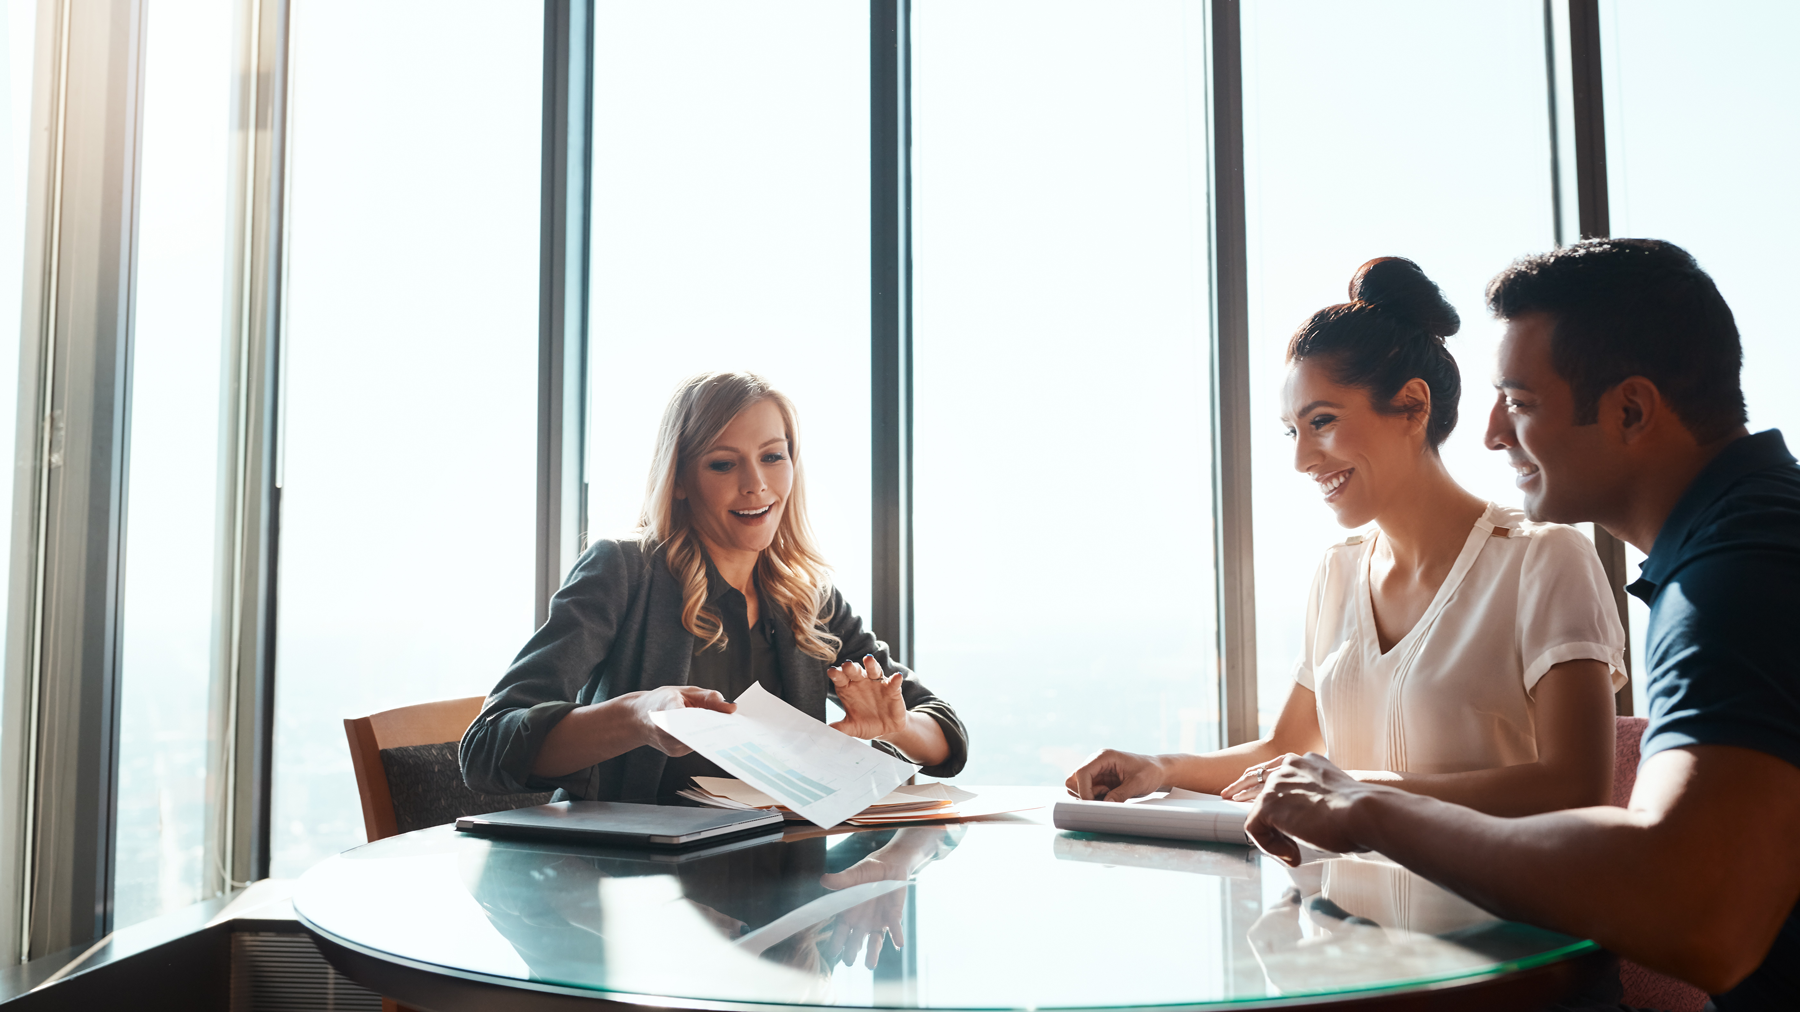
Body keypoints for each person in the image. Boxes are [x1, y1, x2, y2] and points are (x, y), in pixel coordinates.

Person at [1244, 239, 1800, 1010]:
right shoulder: (1739, 544)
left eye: (1522, 403)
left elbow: (1696, 912)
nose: (1492, 434)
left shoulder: (1737, 574)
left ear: (1631, 409)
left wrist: (1371, 807)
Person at [1069, 257, 1624, 817]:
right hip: (1343, 903)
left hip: (1490, 904)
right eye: (1292, 431)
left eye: (1321, 422)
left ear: (1412, 405)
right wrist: (1161, 768)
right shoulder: (1339, 571)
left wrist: (1353, 789)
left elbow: (1576, 788)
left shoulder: (1543, 560)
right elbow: (1285, 751)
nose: (1302, 459)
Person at [461, 371, 967, 803]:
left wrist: (894, 727)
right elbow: (486, 747)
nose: (756, 484)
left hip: (786, 879)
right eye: (723, 464)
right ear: (679, 479)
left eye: (773, 456)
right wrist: (639, 715)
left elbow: (946, 736)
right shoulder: (622, 570)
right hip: (632, 887)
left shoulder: (807, 595)